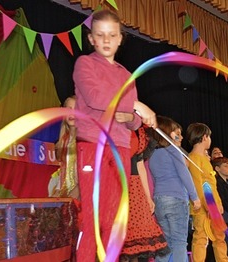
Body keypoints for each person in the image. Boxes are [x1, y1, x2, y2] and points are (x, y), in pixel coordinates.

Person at [72, 9, 157, 261]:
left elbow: (135, 123)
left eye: (112, 35)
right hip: (93, 146)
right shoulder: (85, 64)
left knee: (115, 219)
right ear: (91, 39)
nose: (106, 40)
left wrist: (130, 116)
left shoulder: (125, 75)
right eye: (100, 35)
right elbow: (95, 98)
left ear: (121, 38)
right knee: (93, 217)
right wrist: (135, 106)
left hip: (120, 149)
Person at [148, 116, 201, 262]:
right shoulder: (173, 150)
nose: (180, 136)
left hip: (159, 200)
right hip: (177, 199)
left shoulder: (152, 154)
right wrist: (194, 197)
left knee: (166, 243)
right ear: (169, 132)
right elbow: (184, 175)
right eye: (176, 132)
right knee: (179, 242)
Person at [120, 126, 170, 261]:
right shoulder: (113, 124)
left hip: (135, 187)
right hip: (116, 184)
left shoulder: (140, 131)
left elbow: (139, 163)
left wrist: (147, 197)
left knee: (137, 243)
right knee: (119, 239)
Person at [185, 123, 228, 262]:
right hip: (203, 207)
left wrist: (218, 204)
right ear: (205, 137)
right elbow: (198, 185)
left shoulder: (205, 159)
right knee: (201, 237)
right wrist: (208, 206)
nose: (210, 140)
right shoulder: (194, 158)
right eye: (209, 137)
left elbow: (212, 185)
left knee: (220, 236)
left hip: (213, 205)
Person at [50, 96, 80, 198]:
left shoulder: (86, 140)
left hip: (84, 192)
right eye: (68, 109)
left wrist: (79, 188)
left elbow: (92, 170)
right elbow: (64, 169)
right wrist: (58, 190)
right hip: (67, 194)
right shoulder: (64, 140)